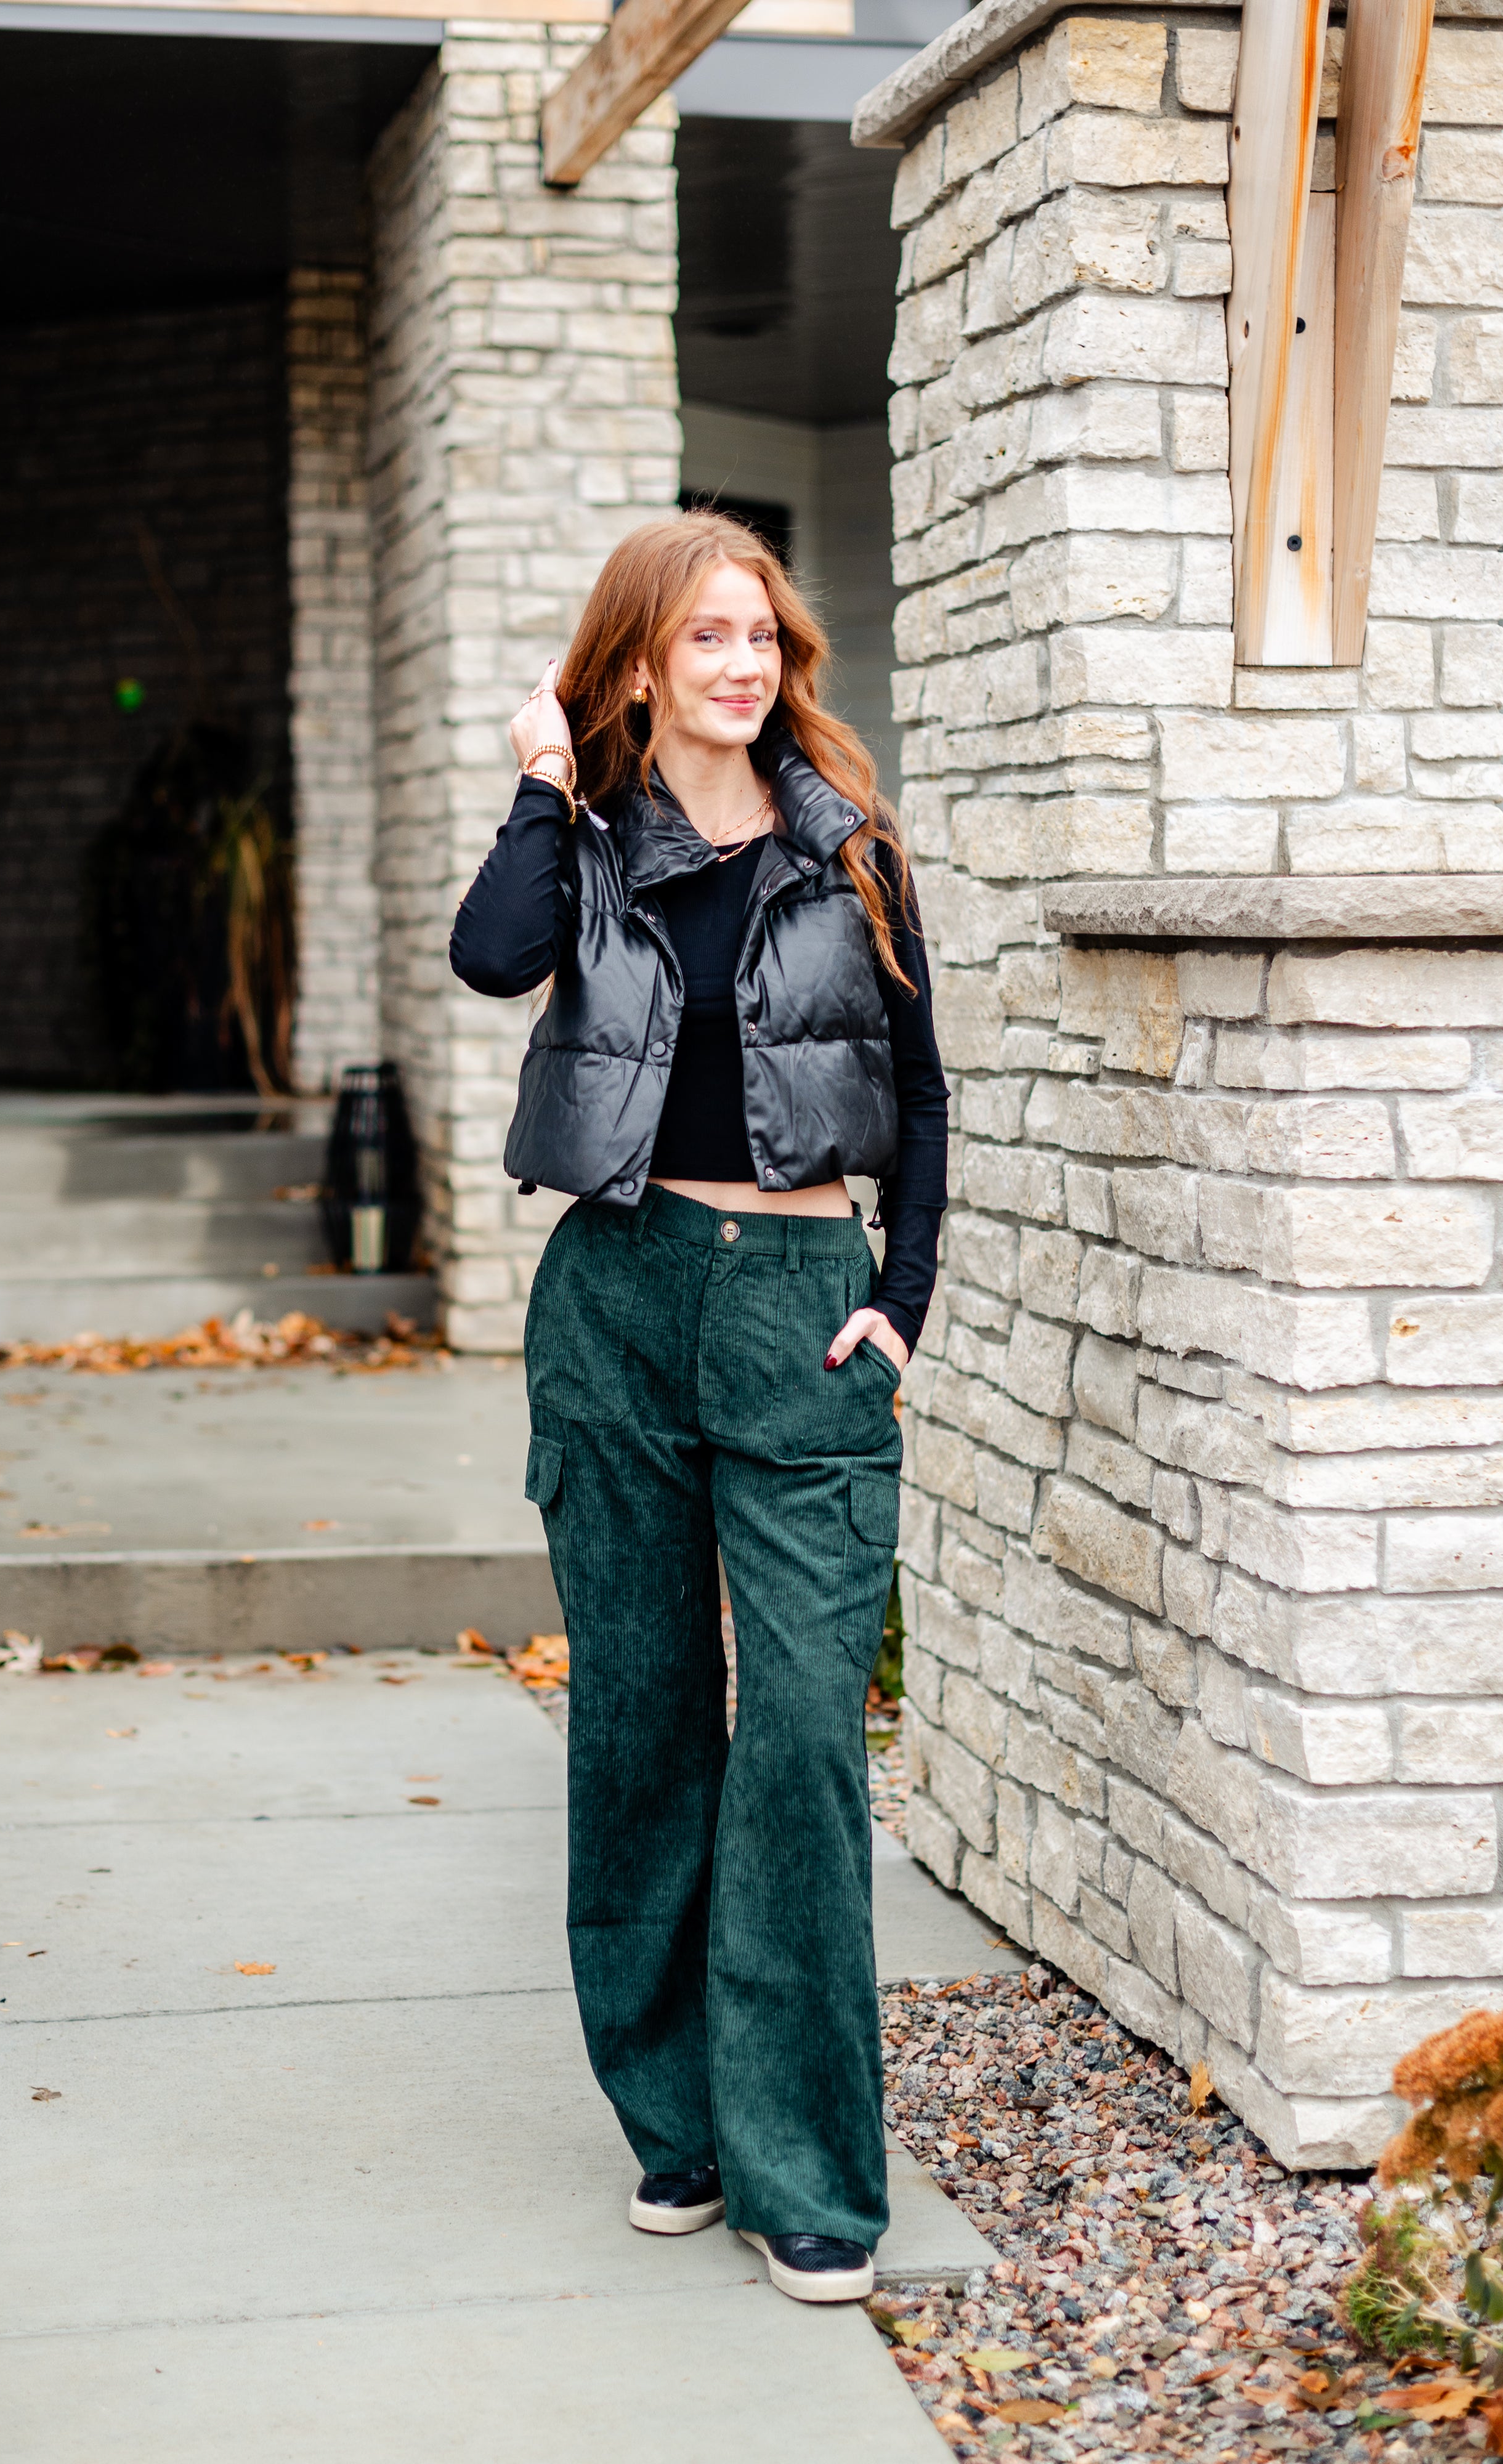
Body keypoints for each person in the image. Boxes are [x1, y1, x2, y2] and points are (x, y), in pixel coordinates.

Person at [450, 510, 948, 2304]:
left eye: (764, 638)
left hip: (804, 1305)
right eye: (708, 639)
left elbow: (922, 1094)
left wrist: (899, 1304)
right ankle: (678, 2126)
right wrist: (541, 781)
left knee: (804, 1738)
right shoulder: (587, 845)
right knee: (644, 1724)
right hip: (622, 1297)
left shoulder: (851, 848)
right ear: (642, 665)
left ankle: (806, 2170)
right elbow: (491, 958)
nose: (745, 666)